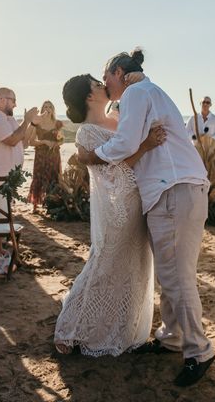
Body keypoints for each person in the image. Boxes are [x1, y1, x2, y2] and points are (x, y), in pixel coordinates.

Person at [77, 49, 215, 387]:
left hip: (173, 191)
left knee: (177, 277)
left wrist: (91, 157)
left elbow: (124, 142)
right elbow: (136, 141)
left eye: (106, 75)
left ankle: (199, 350)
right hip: (179, 190)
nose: (105, 83)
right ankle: (172, 337)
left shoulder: (137, 93)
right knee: (172, 273)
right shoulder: (151, 92)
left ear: (120, 72)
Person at [55, 74, 165, 357]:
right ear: (89, 96)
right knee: (104, 262)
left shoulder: (120, 119)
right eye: (96, 84)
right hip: (115, 207)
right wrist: (145, 147)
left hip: (141, 198)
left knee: (134, 267)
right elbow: (111, 172)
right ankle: (71, 328)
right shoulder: (86, 133)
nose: (103, 86)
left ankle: (120, 331)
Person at [0, 88, 38, 265]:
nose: (15, 104)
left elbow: (23, 141)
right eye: (13, 100)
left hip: (5, 177)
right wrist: (26, 120)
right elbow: (12, 140)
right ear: (1, 100)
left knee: (0, 215)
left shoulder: (8, 119)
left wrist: (32, 123)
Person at [27, 100, 63, 213]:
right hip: (41, 155)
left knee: (54, 176)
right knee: (39, 177)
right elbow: (30, 142)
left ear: (53, 110)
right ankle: (35, 205)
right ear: (42, 110)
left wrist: (57, 143)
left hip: (54, 155)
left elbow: (62, 139)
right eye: (45, 107)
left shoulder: (57, 123)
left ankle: (52, 203)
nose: (47, 109)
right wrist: (44, 142)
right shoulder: (37, 124)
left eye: (49, 107)